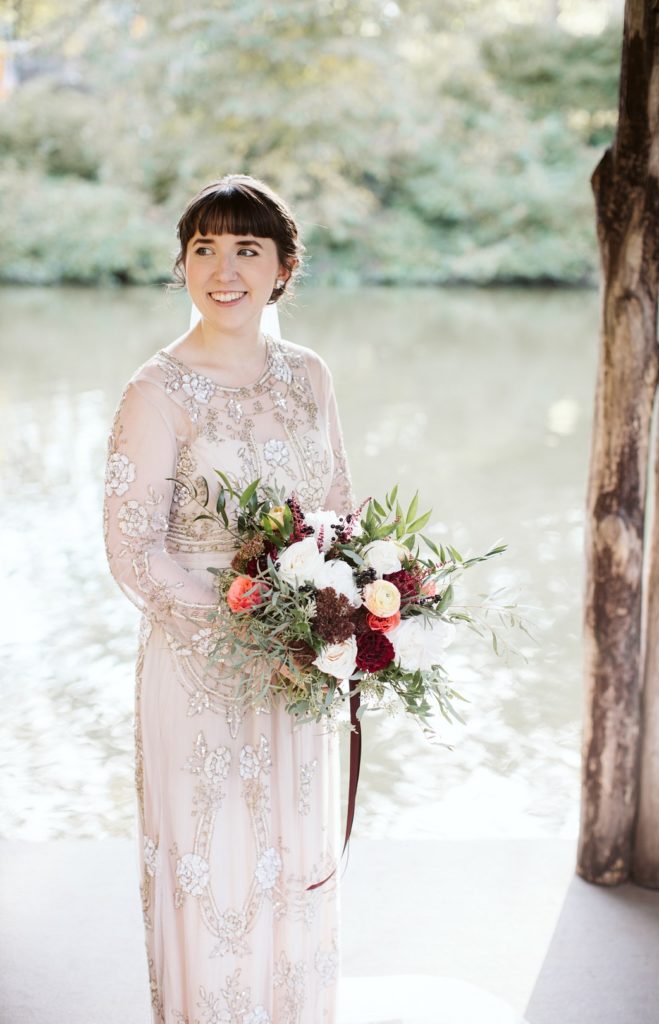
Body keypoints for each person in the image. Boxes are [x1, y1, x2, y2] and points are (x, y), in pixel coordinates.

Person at [103, 173, 355, 1023]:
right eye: (205, 248)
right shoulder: (157, 390)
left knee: (290, 861)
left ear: (283, 267)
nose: (225, 268)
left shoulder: (308, 375)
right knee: (213, 864)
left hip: (297, 670)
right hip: (202, 666)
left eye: (247, 248)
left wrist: (346, 611)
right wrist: (243, 626)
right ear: (182, 265)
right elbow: (133, 548)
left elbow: (338, 508)